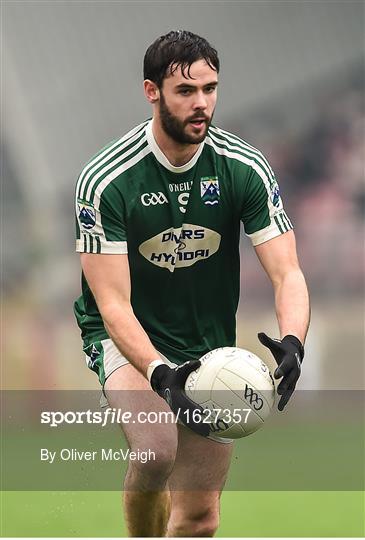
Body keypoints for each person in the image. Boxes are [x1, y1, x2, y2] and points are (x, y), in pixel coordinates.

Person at [74, 30, 310, 537]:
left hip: (207, 341)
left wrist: (294, 342)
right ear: (151, 91)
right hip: (127, 333)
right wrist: (160, 373)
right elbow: (111, 302)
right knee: (157, 451)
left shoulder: (243, 167)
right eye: (186, 91)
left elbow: (287, 271)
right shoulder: (107, 179)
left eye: (210, 89)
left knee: (200, 519)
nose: (201, 103)